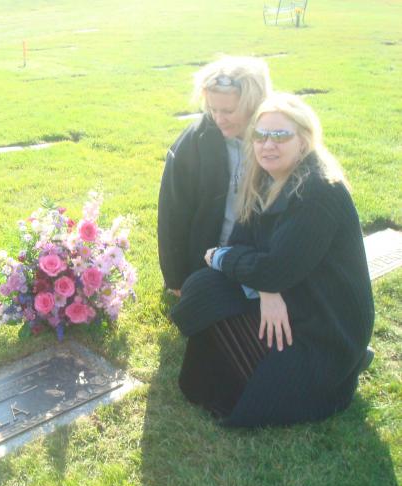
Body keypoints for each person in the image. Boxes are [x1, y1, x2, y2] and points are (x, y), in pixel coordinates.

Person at [172, 93, 374, 427]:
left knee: (261, 397)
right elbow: (245, 245)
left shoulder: (319, 191)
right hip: (291, 292)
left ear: (304, 139)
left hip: (325, 324)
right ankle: (249, 367)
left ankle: (333, 370)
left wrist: (224, 258)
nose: (268, 144)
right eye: (261, 136)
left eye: (280, 135)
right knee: (205, 286)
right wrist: (267, 291)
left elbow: (272, 268)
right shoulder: (267, 177)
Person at [157, 56, 272, 295]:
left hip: (260, 264)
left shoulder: (276, 142)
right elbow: (173, 216)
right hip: (209, 263)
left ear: (254, 103)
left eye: (229, 111)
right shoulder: (192, 146)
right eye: (212, 109)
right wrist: (177, 280)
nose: (219, 119)